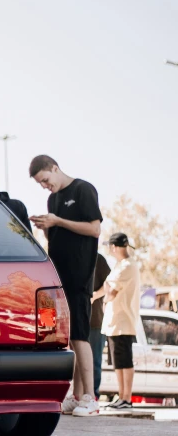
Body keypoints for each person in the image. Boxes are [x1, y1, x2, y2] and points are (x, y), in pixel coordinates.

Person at [29, 155, 102, 417]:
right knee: (69, 337)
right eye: (40, 184)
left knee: (81, 334)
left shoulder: (83, 189)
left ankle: (91, 398)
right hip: (58, 275)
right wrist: (46, 226)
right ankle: (77, 395)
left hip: (80, 274)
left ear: (55, 168)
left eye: (46, 180)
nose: (45, 186)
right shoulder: (53, 200)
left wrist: (58, 221)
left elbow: (94, 229)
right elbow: (58, 235)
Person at [101, 233, 141, 409]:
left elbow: (111, 290)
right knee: (118, 362)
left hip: (122, 320)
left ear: (114, 247)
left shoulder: (127, 266)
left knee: (125, 361)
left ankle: (127, 398)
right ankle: (122, 397)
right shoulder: (121, 265)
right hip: (114, 322)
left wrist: (104, 298)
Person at [90, 253, 111, 399]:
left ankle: (93, 395)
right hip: (74, 320)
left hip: (96, 321)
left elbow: (109, 285)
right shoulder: (71, 256)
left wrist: (94, 295)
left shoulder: (98, 259)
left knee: (95, 361)